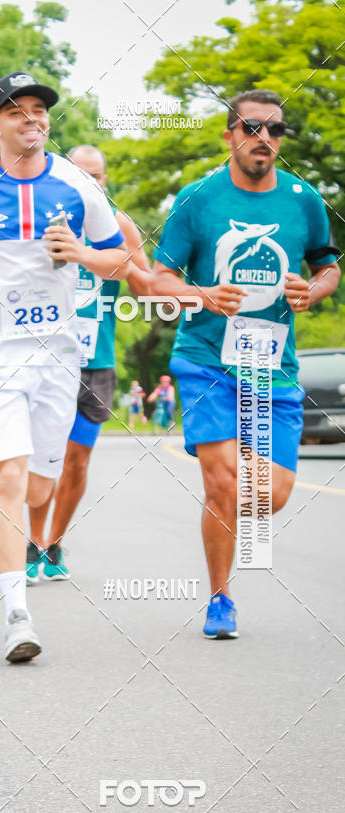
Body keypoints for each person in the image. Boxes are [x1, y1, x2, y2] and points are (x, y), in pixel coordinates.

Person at [0, 72, 128, 662]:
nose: (31, 119)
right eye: (17, 111)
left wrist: (84, 254)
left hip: (57, 361)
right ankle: (17, 614)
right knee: (7, 483)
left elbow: (119, 257)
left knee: (41, 486)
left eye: (39, 110)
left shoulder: (76, 187)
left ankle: (29, 549)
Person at [150, 89, 340, 639]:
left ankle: (227, 561)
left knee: (271, 493)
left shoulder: (304, 200)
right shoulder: (197, 199)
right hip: (206, 359)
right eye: (253, 127)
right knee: (222, 484)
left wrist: (317, 290)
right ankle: (220, 597)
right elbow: (160, 279)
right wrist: (203, 294)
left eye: (275, 131)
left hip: (272, 364)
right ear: (230, 134)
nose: (265, 139)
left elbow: (328, 265)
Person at [26, 144, 152, 581]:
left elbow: (144, 289)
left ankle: (52, 543)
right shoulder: (40, 220)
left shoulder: (119, 227)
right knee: (42, 457)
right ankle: (31, 538)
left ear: (106, 181)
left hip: (96, 360)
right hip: (44, 357)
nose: (89, 183)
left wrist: (127, 262)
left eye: (96, 176)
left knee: (77, 461)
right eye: (80, 174)